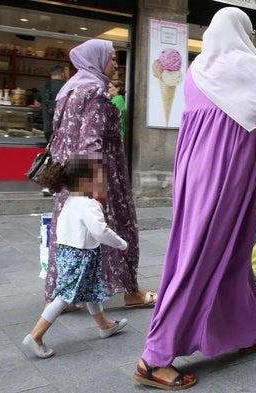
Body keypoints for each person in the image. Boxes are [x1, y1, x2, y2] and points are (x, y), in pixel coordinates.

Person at [133, 7, 256, 390]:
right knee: (202, 260)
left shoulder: (197, 70)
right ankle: (153, 358)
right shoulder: (247, 67)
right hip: (227, 180)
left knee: (230, 257)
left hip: (196, 175)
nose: (253, 40)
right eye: (251, 32)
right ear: (241, 32)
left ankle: (247, 328)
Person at [46, 39, 157, 310]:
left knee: (70, 233)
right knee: (118, 228)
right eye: (110, 58)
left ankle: (65, 294)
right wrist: (96, 190)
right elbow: (91, 142)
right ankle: (132, 292)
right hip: (97, 176)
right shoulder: (95, 91)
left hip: (68, 175)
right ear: (95, 61)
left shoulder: (68, 91)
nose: (115, 63)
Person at [22, 156, 129, 358]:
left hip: (69, 253)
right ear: (85, 181)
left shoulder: (70, 201)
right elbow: (100, 231)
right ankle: (35, 336)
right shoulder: (88, 205)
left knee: (91, 290)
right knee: (64, 297)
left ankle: (105, 326)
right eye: (99, 178)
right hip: (81, 256)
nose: (103, 182)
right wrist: (121, 244)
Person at [35, 64, 67, 197]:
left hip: (48, 128)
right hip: (63, 128)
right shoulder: (66, 86)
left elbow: (37, 104)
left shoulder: (45, 87)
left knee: (52, 157)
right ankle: (54, 186)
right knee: (62, 158)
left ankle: (47, 185)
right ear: (63, 74)